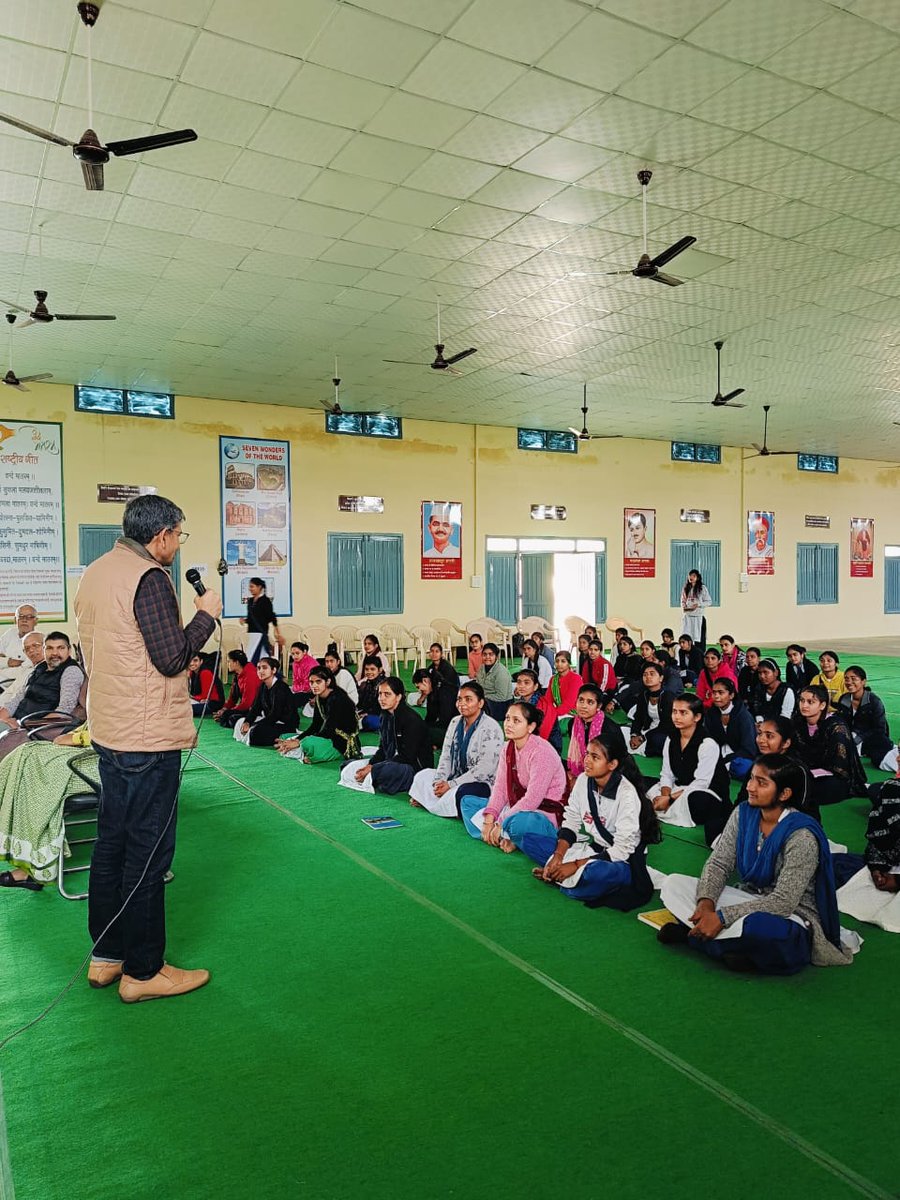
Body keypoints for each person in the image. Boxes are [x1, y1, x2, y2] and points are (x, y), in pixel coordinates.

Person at [74, 493, 221, 1003]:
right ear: (159, 536)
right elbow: (170, 656)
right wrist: (206, 616)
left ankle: (107, 955)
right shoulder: (149, 579)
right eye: (179, 535)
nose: (179, 545)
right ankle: (144, 970)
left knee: (110, 844)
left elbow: (110, 648)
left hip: (110, 728)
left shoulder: (96, 571)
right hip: (146, 739)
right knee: (148, 853)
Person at [659, 756, 856, 973]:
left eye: (761, 783)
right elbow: (719, 863)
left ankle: (697, 939)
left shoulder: (802, 836)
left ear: (784, 794)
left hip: (792, 915)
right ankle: (729, 948)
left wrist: (723, 917)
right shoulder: (743, 813)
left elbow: (783, 903)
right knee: (673, 885)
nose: (750, 787)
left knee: (761, 928)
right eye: (751, 779)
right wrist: (706, 902)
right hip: (749, 897)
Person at [510, 728, 660, 912]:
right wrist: (558, 856)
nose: (587, 760)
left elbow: (622, 850)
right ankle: (561, 875)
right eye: (587, 754)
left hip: (619, 860)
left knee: (597, 873)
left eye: (595, 757)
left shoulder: (627, 795)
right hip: (592, 849)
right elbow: (571, 821)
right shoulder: (583, 780)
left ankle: (565, 880)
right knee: (530, 841)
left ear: (612, 764)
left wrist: (574, 865)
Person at [0, 723, 95, 889]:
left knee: (36, 768)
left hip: (114, 761)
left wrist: (75, 738)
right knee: (26, 752)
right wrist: (75, 733)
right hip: (90, 749)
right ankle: (26, 863)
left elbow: (126, 734)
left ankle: (35, 869)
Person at [457, 701, 566, 845]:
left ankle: (507, 835)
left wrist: (500, 822)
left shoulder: (542, 752)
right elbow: (500, 788)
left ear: (531, 727)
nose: (508, 724)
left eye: (516, 721)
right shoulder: (507, 748)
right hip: (515, 806)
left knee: (522, 823)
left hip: (541, 813)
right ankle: (505, 837)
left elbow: (533, 800)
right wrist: (489, 820)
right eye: (507, 718)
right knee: (467, 802)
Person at [408, 682, 504, 817]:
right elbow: (446, 755)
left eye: (468, 699)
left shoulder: (491, 728)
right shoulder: (455, 722)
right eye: (459, 699)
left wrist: (451, 784)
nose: (462, 703)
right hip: (454, 777)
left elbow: (485, 769)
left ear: (480, 703)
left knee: (462, 793)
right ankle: (438, 800)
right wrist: (439, 781)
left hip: (481, 783)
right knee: (422, 776)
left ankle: (432, 801)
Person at [648, 694, 732, 846]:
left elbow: (701, 784)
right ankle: (666, 807)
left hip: (706, 793)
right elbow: (666, 773)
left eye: (683, 713)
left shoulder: (707, 744)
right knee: (642, 782)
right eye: (674, 712)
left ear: (697, 717)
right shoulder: (671, 738)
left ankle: (666, 807)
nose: (677, 717)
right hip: (679, 789)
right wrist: (665, 795)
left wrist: (670, 799)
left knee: (697, 799)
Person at [0, 632, 86, 761]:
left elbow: (64, 709)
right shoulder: (40, 668)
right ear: (44, 650)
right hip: (16, 721)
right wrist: (3, 718)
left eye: (60, 648)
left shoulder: (71, 671)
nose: (55, 653)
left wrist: (22, 724)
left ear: (68, 650)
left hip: (34, 726)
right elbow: (18, 697)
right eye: (50, 648)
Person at [339, 677, 433, 795]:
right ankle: (374, 776)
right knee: (348, 766)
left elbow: (407, 757)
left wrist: (374, 768)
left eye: (387, 694)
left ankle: (376, 776)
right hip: (390, 761)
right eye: (380, 694)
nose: (381, 699)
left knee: (386, 772)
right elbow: (383, 749)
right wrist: (370, 764)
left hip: (412, 768)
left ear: (398, 697)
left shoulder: (411, 720)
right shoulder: (385, 716)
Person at [832, 780, 900, 933]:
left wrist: (897, 880)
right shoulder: (894, 789)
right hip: (887, 862)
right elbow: (878, 836)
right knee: (830, 865)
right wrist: (877, 867)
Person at [791, 684, 868, 814]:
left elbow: (840, 765)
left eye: (811, 702)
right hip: (805, 771)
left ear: (822, 705)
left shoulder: (836, 726)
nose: (804, 705)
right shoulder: (797, 722)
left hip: (833, 776)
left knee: (812, 788)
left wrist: (811, 772)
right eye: (802, 700)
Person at [276, 667, 360, 763]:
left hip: (342, 743)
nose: (314, 685)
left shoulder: (337, 698)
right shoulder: (319, 698)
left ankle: (312, 752)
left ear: (328, 682)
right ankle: (303, 750)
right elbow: (315, 726)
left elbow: (329, 730)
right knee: (286, 737)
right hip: (329, 738)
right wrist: (297, 740)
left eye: (318, 682)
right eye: (311, 682)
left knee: (307, 743)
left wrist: (299, 742)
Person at [837, 665, 895, 770]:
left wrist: (857, 739)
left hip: (869, 738)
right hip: (850, 737)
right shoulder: (844, 699)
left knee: (881, 743)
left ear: (863, 682)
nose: (849, 682)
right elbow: (842, 722)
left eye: (853, 679)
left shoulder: (874, 701)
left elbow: (880, 729)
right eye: (846, 679)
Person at [567, 683, 626, 782]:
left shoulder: (608, 728)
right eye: (581, 700)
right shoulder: (572, 724)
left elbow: (620, 758)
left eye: (590, 702)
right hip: (583, 770)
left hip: (609, 772)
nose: (584, 706)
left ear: (598, 706)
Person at [234, 658, 297, 747]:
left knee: (256, 730)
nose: (261, 671)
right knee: (240, 722)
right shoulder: (263, 686)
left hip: (284, 724)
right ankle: (249, 735)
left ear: (273, 670)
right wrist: (247, 722)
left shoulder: (281, 688)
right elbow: (255, 708)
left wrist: (255, 725)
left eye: (264, 668)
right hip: (270, 721)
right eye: (259, 668)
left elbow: (276, 714)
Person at [704, 677, 757, 781]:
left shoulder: (743, 716)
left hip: (738, 757)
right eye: (714, 693)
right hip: (717, 754)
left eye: (721, 692)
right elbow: (708, 739)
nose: (716, 696)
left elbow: (748, 749)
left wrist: (725, 760)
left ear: (731, 695)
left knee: (745, 768)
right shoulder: (711, 713)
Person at [627, 662, 675, 758]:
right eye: (645, 675)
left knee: (657, 740)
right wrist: (634, 735)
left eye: (652, 674)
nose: (648, 677)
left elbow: (667, 724)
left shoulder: (668, 696)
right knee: (622, 731)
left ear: (661, 678)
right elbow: (638, 718)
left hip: (663, 731)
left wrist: (642, 738)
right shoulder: (643, 695)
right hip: (647, 729)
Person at [536, 651, 581, 752]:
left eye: (563, 661)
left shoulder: (576, 679)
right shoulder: (553, 679)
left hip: (573, 713)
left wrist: (552, 715)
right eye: (557, 661)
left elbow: (569, 704)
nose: (559, 664)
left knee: (552, 726)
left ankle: (554, 751)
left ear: (568, 663)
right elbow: (548, 700)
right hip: (558, 712)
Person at [239, 577, 284, 664]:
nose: (250, 589)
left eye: (252, 586)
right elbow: (252, 618)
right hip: (251, 633)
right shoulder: (251, 601)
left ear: (259, 587)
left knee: (258, 657)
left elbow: (271, 617)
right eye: (250, 587)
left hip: (260, 634)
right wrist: (245, 620)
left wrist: (278, 633)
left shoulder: (265, 601)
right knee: (255, 656)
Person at [213, 649, 261, 728]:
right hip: (246, 708)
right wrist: (224, 709)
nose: (227, 664)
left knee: (230, 718)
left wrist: (229, 711)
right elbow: (232, 698)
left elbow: (247, 704)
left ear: (236, 663)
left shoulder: (250, 676)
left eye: (229, 661)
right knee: (225, 714)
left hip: (255, 709)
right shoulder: (237, 675)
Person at [411, 666, 457, 747]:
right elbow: (430, 717)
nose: (419, 690)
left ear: (425, 681)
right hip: (445, 726)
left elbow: (445, 720)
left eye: (419, 687)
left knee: (421, 732)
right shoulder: (432, 691)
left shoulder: (445, 690)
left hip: (454, 730)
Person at [0, 631, 44, 708]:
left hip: (20, 715)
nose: (31, 650)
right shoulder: (28, 671)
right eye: (27, 648)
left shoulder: (49, 671)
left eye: (35, 645)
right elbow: (10, 694)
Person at [475, 641, 513, 721]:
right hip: (486, 698)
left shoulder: (501, 672)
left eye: (491, 654)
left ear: (496, 656)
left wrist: (483, 697)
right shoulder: (482, 668)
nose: (487, 657)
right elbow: (478, 685)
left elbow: (502, 696)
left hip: (501, 704)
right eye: (484, 654)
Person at [0, 604, 40, 678]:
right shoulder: (10, 633)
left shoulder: (39, 640)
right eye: (21, 617)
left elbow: (26, 670)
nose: (24, 620)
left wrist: (3, 662)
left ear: (36, 621)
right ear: (15, 620)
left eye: (29, 617)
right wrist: (9, 662)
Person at [750, 658, 795, 723]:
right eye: (760, 673)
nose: (762, 676)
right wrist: (760, 723)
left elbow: (785, 716)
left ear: (776, 673)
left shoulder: (786, 690)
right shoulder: (759, 689)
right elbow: (757, 711)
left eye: (766, 672)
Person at [680, 569, 711, 646]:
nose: (691, 577)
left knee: (699, 641)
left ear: (697, 577)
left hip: (698, 617)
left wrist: (699, 605)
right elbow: (682, 601)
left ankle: (701, 656)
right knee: (686, 639)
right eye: (690, 575)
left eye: (694, 576)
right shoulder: (685, 588)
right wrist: (685, 607)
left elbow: (709, 602)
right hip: (688, 617)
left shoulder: (702, 588)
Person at [358, 656, 387, 731]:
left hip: (385, 717)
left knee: (367, 720)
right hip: (371, 716)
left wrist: (368, 714)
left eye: (372, 669)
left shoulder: (386, 685)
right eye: (366, 669)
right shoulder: (365, 684)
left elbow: (386, 708)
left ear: (380, 670)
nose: (369, 672)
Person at [289, 641, 319, 710]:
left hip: (313, 691)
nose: (294, 656)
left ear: (304, 652)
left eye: (297, 653)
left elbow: (309, 685)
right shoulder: (295, 663)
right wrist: (295, 688)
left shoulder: (310, 664)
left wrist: (295, 689)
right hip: (301, 689)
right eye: (293, 654)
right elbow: (295, 680)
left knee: (292, 700)